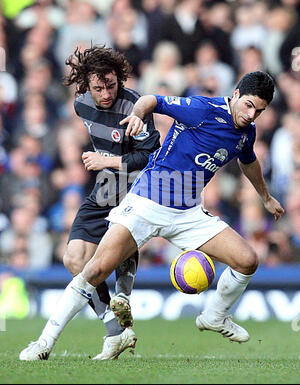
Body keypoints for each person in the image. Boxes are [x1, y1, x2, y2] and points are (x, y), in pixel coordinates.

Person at [20, 71, 284, 361]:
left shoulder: (247, 132)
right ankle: (43, 343)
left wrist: (266, 197)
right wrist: (135, 115)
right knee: (94, 271)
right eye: (248, 105)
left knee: (248, 260)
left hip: (188, 213)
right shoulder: (202, 109)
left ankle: (215, 317)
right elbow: (151, 100)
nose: (251, 114)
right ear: (235, 94)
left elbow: (249, 161)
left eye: (259, 110)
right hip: (147, 201)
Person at [20, 45, 160, 361]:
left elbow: (148, 158)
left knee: (109, 255)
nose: (106, 93)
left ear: (119, 79)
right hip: (105, 189)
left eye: (111, 85)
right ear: (86, 85)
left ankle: (123, 289)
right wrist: (104, 164)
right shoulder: (81, 105)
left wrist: (106, 160)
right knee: (74, 259)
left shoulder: (136, 106)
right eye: (98, 87)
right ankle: (116, 331)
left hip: (137, 191)